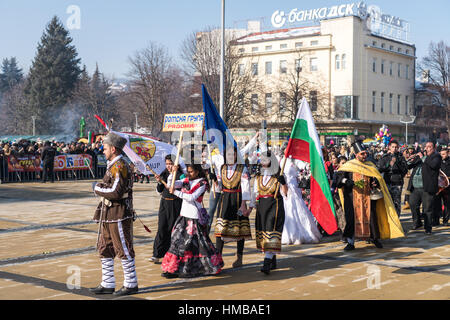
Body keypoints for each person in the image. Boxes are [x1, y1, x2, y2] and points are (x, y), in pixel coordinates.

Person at [89, 132, 138, 296]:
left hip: (119, 213)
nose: (103, 150)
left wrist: (97, 188)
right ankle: (107, 283)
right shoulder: (114, 164)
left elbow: (115, 192)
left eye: (105, 147)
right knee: (105, 247)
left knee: (123, 248)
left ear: (114, 149)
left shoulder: (120, 166)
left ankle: (131, 284)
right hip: (108, 213)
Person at [336, 141, 404, 251]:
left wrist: (375, 182)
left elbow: (377, 178)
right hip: (352, 198)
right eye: (362, 154)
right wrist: (346, 181)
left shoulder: (370, 165)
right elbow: (338, 180)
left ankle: (375, 238)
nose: (365, 155)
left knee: (372, 218)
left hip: (369, 198)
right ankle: (350, 242)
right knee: (351, 219)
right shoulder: (348, 166)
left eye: (365, 153)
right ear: (356, 154)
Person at [161, 164, 224, 278]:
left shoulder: (203, 183)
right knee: (176, 242)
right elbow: (171, 185)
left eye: (191, 172)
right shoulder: (186, 180)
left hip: (194, 218)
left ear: (197, 171)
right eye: (188, 172)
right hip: (183, 216)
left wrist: (175, 192)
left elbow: (191, 197)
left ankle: (211, 266)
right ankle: (173, 269)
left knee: (199, 245)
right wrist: (172, 174)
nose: (188, 174)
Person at [212, 146, 252, 268]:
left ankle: (239, 258)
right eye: (228, 154)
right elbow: (219, 187)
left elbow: (245, 188)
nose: (231, 157)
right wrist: (214, 180)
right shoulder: (222, 168)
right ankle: (218, 258)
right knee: (220, 230)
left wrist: (243, 205)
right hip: (224, 201)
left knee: (239, 229)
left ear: (236, 156)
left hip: (238, 201)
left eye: (233, 154)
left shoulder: (242, 169)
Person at [249, 151, 287, 275]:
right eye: (262, 160)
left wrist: (283, 183)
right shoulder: (259, 175)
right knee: (264, 232)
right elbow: (255, 192)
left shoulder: (278, 175)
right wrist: (251, 206)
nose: (263, 162)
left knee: (271, 231)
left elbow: (286, 193)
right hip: (262, 207)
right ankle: (272, 260)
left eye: (266, 160)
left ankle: (266, 263)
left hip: (274, 205)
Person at [149, 155, 184, 263]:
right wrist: (159, 182)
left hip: (175, 204)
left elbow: (185, 187)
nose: (169, 166)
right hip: (164, 203)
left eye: (171, 164)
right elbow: (159, 190)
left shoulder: (181, 175)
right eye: (167, 164)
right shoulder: (164, 174)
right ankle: (156, 254)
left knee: (173, 229)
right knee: (162, 227)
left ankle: (171, 254)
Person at [407, 141, 442, 234]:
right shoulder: (421, 157)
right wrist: (410, 159)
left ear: (434, 148)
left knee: (427, 209)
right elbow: (409, 165)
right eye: (426, 146)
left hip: (427, 187)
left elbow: (433, 165)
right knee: (413, 204)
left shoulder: (436, 157)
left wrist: (423, 158)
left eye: (429, 146)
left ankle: (428, 228)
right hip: (415, 187)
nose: (427, 148)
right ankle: (417, 222)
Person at [377, 140, 408, 217]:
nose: (394, 149)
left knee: (396, 203)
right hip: (387, 182)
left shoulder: (401, 157)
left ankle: (397, 220)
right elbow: (380, 168)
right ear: (389, 147)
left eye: (396, 147)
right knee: (387, 203)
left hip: (397, 183)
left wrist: (397, 162)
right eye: (393, 147)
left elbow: (405, 170)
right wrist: (389, 164)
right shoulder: (385, 157)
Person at [438, 146, 450, 226]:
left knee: (447, 203)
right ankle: (437, 219)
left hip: (448, 186)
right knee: (438, 203)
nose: (442, 156)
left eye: (444, 154)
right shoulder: (438, 162)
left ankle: (446, 220)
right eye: (441, 154)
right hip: (439, 185)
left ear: (448, 154)